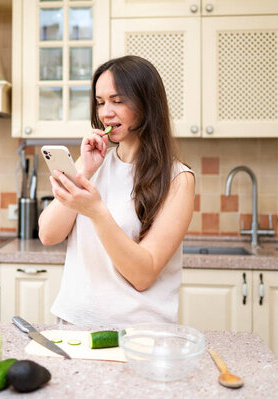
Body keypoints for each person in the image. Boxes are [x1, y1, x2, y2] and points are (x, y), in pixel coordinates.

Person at [38, 55, 195, 326]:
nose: (105, 113)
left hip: (138, 334)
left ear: (147, 104)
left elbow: (143, 275)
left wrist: (97, 212)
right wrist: (83, 172)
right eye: (100, 103)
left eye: (117, 101)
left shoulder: (178, 179)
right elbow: (48, 235)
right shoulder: (93, 164)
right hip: (74, 323)